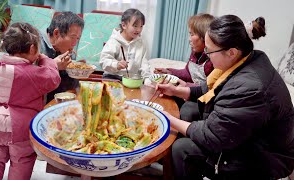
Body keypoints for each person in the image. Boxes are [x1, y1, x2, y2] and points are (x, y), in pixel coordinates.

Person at [157, 15, 294, 179]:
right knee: (189, 109)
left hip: (262, 157)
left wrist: (167, 119)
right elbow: (210, 89)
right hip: (246, 134)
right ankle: (170, 163)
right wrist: (175, 91)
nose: (206, 54)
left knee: (182, 148)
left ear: (231, 52)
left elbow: (212, 136)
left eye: (209, 50)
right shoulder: (247, 58)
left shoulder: (249, 88)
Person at [0, 22, 61, 180]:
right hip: (20, 128)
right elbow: (53, 78)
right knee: (22, 160)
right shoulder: (33, 74)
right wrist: (45, 59)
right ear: (32, 49)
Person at [154, 13, 215, 85]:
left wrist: (184, 86)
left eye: (192, 34)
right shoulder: (195, 52)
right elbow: (188, 74)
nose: (189, 39)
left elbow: (207, 88)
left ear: (205, 37)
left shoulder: (213, 60)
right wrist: (169, 72)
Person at [40, 11, 84, 103]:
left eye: (77, 38)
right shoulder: (37, 45)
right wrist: (54, 65)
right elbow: (30, 79)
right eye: (72, 37)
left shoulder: (64, 48)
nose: (75, 43)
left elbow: (67, 84)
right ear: (56, 33)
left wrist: (75, 71)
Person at [99, 8, 151, 81]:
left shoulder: (142, 43)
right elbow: (103, 61)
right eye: (135, 26)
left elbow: (144, 65)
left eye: (141, 26)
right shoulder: (114, 41)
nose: (139, 30)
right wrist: (116, 65)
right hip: (113, 76)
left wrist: (147, 81)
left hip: (133, 79)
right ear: (124, 25)